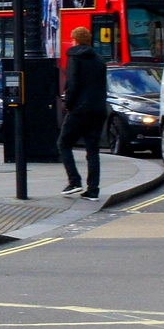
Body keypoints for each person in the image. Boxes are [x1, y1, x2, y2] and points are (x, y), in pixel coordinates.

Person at [60, 26, 109, 199]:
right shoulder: (99, 59)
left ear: (75, 40)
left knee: (64, 143)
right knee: (92, 150)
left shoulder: (74, 57)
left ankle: (74, 181)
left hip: (80, 110)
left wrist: (68, 103)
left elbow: (73, 84)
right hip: (98, 109)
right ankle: (93, 190)